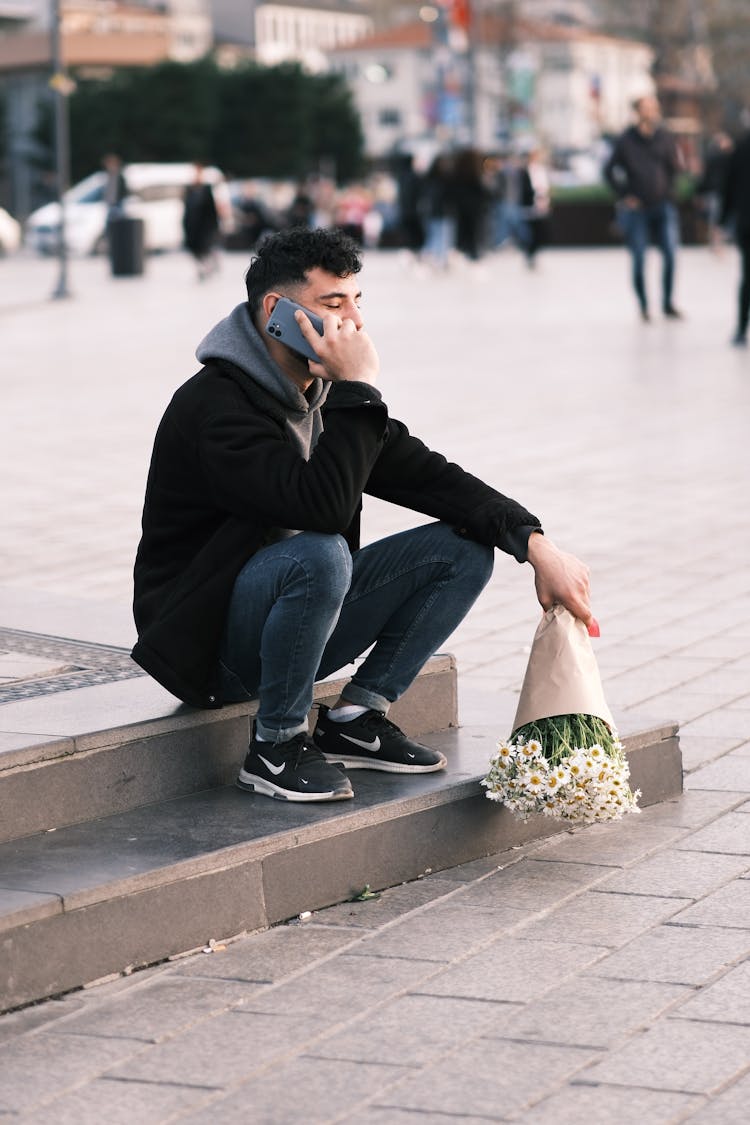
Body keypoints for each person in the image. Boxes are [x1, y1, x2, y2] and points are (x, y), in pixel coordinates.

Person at [132, 227, 592, 803]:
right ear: (276, 311)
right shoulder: (214, 407)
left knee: (461, 548)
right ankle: (274, 746)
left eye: (356, 302)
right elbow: (317, 507)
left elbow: (430, 476)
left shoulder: (320, 398)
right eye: (332, 304)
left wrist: (535, 544)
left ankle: (354, 719)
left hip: (293, 623)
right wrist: (358, 388)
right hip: (208, 647)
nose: (353, 323)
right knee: (321, 551)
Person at [604, 95, 684, 322]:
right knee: (639, 258)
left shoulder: (665, 138)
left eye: (653, 108)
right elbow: (609, 171)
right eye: (646, 108)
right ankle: (644, 306)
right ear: (638, 111)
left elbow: (674, 169)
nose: (650, 112)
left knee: (670, 255)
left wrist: (670, 192)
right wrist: (624, 195)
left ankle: (668, 304)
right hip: (637, 209)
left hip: (663, 205)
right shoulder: (626, 140)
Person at [720, 126, 750, 347]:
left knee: (747, 277)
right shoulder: (742, 145)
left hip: (746, 222)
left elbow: (727, 186)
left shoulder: (741, 144)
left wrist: (723, 219)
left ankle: (741, 329)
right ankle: (740, 327)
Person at [182, 163, 221, 280]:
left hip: (205, 226)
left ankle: (206, 267)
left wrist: (214, 225)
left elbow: (212, 209)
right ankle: (202, 268)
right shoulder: (189, 188)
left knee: (205, 248)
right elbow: (187, 208)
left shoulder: (206, 189)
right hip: (192, 226)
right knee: (194, 249)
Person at [518, 147, 551, 268]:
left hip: (540, 205)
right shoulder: (524, 171)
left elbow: (545, 187)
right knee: (529, 232)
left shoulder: (541, 170)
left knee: (539, 232)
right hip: (528, 206)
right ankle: (529, 254)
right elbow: (524, 190)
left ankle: (533, 253)